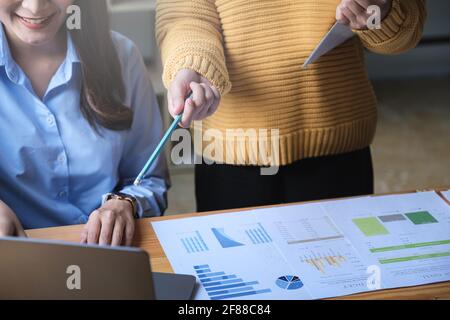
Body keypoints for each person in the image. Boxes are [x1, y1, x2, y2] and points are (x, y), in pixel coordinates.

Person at [156, 0, 426, 212]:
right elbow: (184, 14)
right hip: (231, 148)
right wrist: (194, 64)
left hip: (336, 139)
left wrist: (381, 12)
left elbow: (404, 36)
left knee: (341, 273)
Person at [0, 0, 169, 246]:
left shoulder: (123, 57)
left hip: (108, 254)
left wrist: (126, 203)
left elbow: (150, 178)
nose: (34, 7)